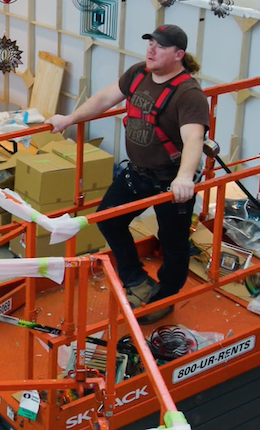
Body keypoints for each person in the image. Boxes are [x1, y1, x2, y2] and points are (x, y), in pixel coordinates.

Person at [46, 24, 208, 324]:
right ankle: (134, 279)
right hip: (137, 173)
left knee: (173, 243)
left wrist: (184, 178)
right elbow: (104, 99)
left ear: (178, 54)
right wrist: (68, 118)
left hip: (170, 181)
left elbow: (194, 139)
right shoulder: (137, 74)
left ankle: (164, 298)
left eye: (159, 46)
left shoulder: (189, 95)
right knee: (108, 218)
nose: (151, 49)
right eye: (150, 43)